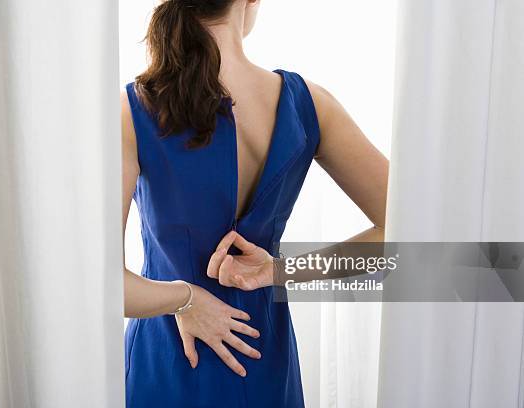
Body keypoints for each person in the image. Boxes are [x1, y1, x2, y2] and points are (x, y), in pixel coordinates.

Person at [121, 0, 389, 406]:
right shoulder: (309, 105)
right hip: (264, 355)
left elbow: (95, 285)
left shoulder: (133, 109)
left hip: (169, 361)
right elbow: (404, 228)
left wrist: (185, 298)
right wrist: (280, 272)